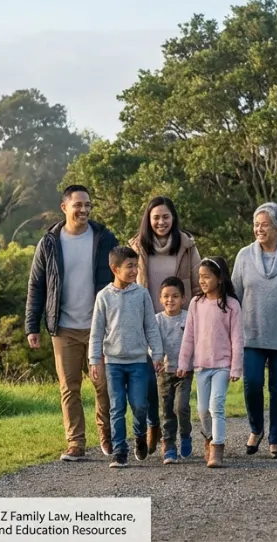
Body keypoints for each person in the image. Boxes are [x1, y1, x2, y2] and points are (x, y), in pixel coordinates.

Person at [25, 184, 120, 461]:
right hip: (63, 327)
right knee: (69, 387)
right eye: (78, 204)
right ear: (64, 207)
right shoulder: (50, 243)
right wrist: (32, 326)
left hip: (99, 327)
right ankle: (76, 443)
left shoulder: (104, 238)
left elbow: (122, 276)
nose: (84, 210)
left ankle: (108, 435)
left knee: (103, 385)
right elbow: (36, 285)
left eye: (88, 205)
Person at [231, 202, 277, 459]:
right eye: (256, 224)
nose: (259, 229)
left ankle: (276, 439)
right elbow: (234, 297)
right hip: (251, 332)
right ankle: (256, 429)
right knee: (252, 383)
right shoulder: (243, 256)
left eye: (264, 225)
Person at [128, 196, 202, 455]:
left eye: (166, 217)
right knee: (150, 382)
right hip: (148, 324)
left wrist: (197, 320)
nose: (161, 222)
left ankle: (176, 435)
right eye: (156, 217)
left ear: (173, 218)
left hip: (180, 326)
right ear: (148, 220)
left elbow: (197, 283)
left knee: (176, 391)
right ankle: (153, 427)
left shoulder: (187, 246)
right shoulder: (138, 248)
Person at [88, 246, 164, 468]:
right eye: (130, 266)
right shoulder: (103, 297)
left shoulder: (141, 294)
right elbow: (97, 331)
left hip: (139, 361)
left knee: (140, 405)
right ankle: (120, 450)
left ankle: (140, 435)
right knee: (117, 405)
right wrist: (94, 360)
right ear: (115, 268)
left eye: (136, 266)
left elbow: (151, 326)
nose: (134, 270)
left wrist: (157, 354)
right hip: (113, 363)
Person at [176, 256, 243, 468]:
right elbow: (189, 336)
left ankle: (217, 448)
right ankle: (208, 437)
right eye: (200, 277)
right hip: (201, 366)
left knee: (217, 405)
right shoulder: (196, 303)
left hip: (223, 365)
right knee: (202, 410)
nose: (202, 281)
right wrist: (183, 363)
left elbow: (238, 338)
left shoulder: (232, 305)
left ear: (220, 278)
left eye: (206, 277)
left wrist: (236, 367)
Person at [153, 276, 192, 464]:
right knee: (166, 410)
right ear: (160, 298)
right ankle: (169, 445)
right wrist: (156, 358)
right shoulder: (157, 320)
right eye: (166, 296)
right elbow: (151, 343)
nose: (170, 300)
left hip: (184, 372)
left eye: (175, 296)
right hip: (164, 372)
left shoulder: (188, 318)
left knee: (181, 406)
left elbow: (194, 342)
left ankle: (185, 434)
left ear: (183, 298)